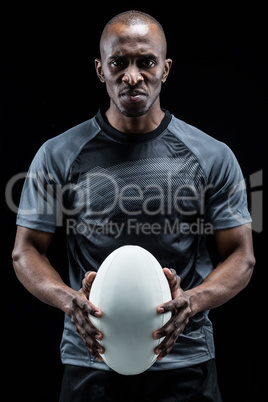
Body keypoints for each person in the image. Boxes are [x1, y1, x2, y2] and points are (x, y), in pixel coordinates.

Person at [12, 10, 255, 402]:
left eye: (146, 62)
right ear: (100, 69)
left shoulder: (211, 156)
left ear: (166, 68)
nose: (132, 76)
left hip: (184, 360)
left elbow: (242, 257)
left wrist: (191, 301)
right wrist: (67, 299)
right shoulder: (58, 154)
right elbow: (25, 252)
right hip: (92, 357)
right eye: (118, 63)